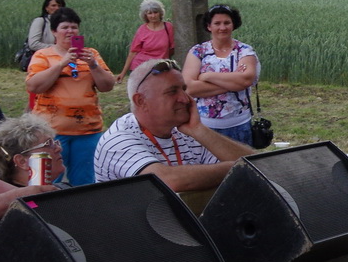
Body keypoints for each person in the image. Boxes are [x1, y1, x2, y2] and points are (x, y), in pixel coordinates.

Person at [94, 58, 256, 190]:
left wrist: (199, 130)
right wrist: (238, 167)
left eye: (184, 89)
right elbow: (167, 181)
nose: (185, 98)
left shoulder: (184, 132)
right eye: (172, 92)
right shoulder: (118, 139)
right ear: (141, 101)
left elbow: (258, 166)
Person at [26, 6, 114, 186]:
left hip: (88, 130)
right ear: (54, 32)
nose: (70, 31)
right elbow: (34, 86)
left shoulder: (91, 54)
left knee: (85, 181)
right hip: (50, 131)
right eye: (65, 27)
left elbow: (107, 86)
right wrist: (62, 64)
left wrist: (93, 65)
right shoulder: (43, 55)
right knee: (44, 181)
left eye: (74, 27)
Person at [182, 4, 258, 146]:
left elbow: (246, 80)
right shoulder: (198, 51)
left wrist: (207, 76)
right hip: (205, 126)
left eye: (227, 23)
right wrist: (234, 82)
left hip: (239, 125)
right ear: (209, 26)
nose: (222, 27)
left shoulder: (244, 51)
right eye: (217, 23)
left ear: (233, 25)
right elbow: (189, 88)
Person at [125, 0, 175, 72]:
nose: (153, 16)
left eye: (155, 12)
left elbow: (172, 48)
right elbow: (133, 52)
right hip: (140, 66)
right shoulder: (142, 29)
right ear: (146, 15)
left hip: (160, 66)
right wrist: (123, 73)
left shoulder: (168, 27)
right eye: (150, 13)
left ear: (160, 13)